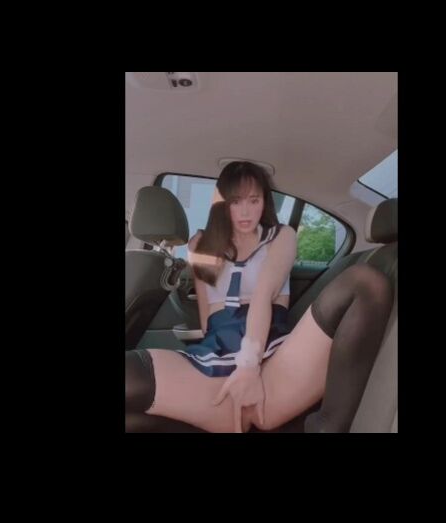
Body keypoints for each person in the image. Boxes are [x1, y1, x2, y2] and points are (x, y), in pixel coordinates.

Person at [126, 161, 393, 433]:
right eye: (235, 201)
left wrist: (248, 367)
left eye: (254, 200)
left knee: (363, 281)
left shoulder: (281, 236)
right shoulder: (200, 244)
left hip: (266, 348)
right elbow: (207, 317)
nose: (245, 211)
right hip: (216, 351)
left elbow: (263, 297)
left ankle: (327, 427)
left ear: (264, 202)